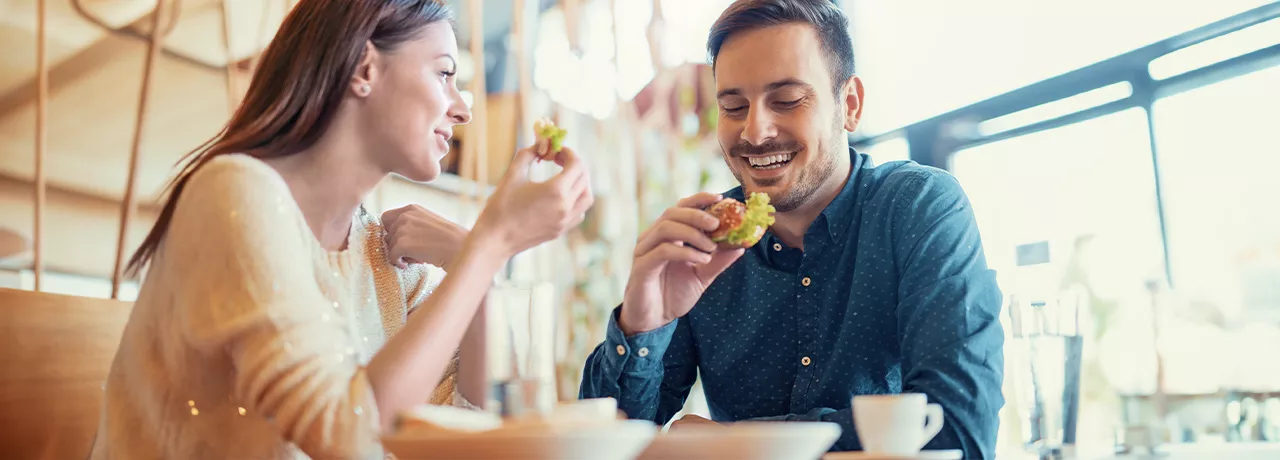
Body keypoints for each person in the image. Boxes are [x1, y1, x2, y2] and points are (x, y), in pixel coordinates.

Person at [89, 0, 593, 458]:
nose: (462, 109)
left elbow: (461, 426)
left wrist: (477, 265)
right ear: (365, 67)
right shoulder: (233, 193)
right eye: (444, 74)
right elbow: (350, 439)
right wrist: (490, 244)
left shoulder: (382, 251)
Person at [579, 0, 1003, 457]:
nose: (755, 132)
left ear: (850, 105)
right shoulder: (701, 245)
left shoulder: (918, 208)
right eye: (734, 106)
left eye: (787, 101)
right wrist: (643, 324)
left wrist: (744, 444)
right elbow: (605, 447)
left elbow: (959, 432)